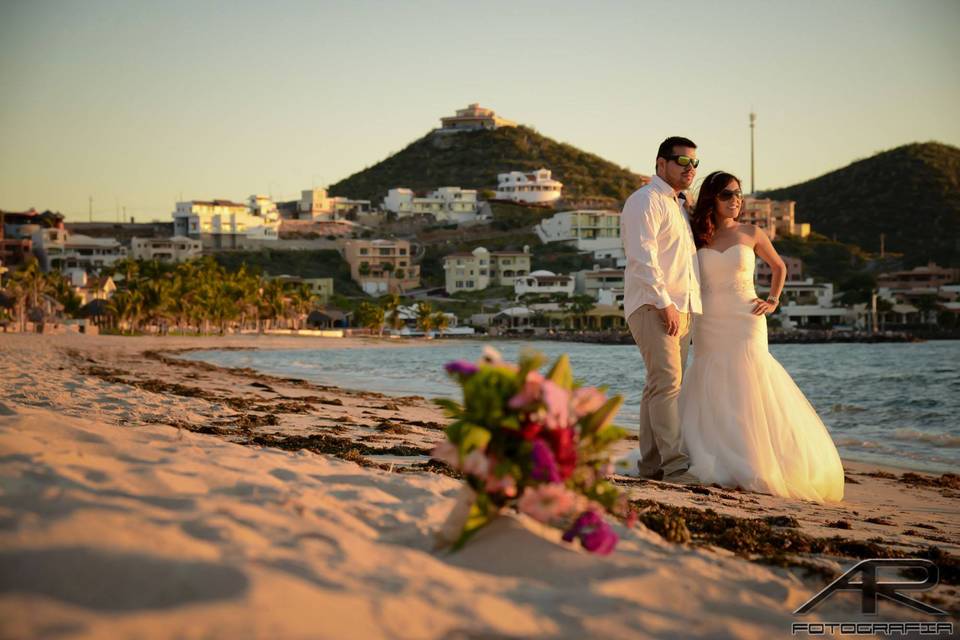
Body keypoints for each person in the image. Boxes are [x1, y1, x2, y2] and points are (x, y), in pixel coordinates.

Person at [679, 170, 844, 502]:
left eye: (739, 194)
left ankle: (754, 458)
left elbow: (779, 267)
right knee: (710, 380)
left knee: (748, 381)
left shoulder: (752, 232)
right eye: (727, 194)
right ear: (712, 198)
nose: (735, 200)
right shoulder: (698, 235)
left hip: (746, 317)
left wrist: (773, 300)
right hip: (709, 319)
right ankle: (713, 451)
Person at [621, 136, 702, 483]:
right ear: (660, 164)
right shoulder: (645, 201)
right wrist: (664, 302)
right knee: (667, 383)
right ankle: (675, 466)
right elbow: (642, 258)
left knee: (659, 386)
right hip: (655, 305)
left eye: (694, 163)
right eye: (682, 161)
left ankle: (651, 466)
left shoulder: (677, 205)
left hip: (680, 306)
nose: (690, 169)